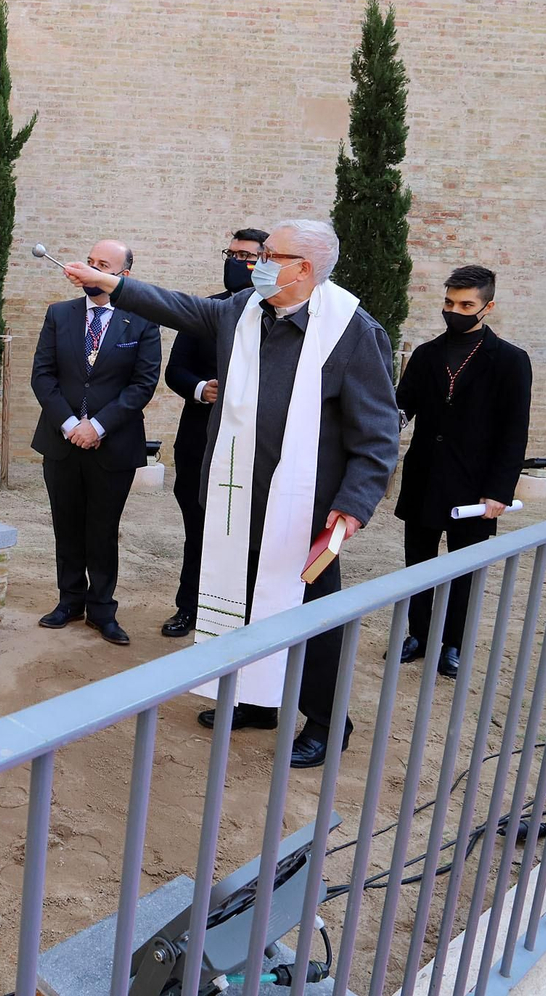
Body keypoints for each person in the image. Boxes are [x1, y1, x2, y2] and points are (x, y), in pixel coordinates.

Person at [63, 220, 398, 768]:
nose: (257, 262)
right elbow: (176, 307)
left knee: (313, 616)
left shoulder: (352, 332)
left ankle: (325, 718)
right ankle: (254, 698)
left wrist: (354, 505)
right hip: (236, 497)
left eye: (270, 255)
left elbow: (378, 432)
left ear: (304, 269)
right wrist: (112, 283)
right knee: (239, 605)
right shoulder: (243, 310)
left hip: (305, 511)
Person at [395, 265, 532, 677]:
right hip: (423, 479)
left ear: (488, 306)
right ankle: (418, 634)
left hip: (475, 488)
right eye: (450, 303)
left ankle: (452, 643)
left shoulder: (510, 361)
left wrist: (498, 492)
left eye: (466, 304)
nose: (455, 310)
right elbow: (402, 408)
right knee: (417, 564)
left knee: (465, 570)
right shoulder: (426, 354)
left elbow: (514, 432)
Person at [31, 240, 162, 645]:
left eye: (102, 265)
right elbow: (43, 375)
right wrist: (71, 424)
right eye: (89, 262)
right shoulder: (60, 315)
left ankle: (102, 610)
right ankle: (69, 601)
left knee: (103, 531)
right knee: (66, 525)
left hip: (114, 446)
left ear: (122, 276)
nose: (90, 270)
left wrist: (98, 426)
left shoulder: (141, 320)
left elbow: (143, 384)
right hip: (61, 441)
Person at [162, 228, 267, 639]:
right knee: (198, 529)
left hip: (255, 449)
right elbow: (176, 370)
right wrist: (200, 388)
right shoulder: (206, 310)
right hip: (200, 440)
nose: (236, 262)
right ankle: (189, 607)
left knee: (248, 538)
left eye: (246, 257)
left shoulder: (283, 315)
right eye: (232, 253)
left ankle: (239, 615)